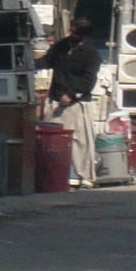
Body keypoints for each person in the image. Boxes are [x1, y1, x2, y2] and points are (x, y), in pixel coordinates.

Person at [41, 17, 102, 187]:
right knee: (51, 139)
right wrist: (29, 63)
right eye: (71, 30)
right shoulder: (62, 46)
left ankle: (86, 177)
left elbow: (89, 80)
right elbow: (48, 60)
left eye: (75, 32)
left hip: (77, 102)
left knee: (81, 140)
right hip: (56, 99)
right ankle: (52, 176)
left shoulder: (91, 53)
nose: (71, 34)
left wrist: (73, 94)